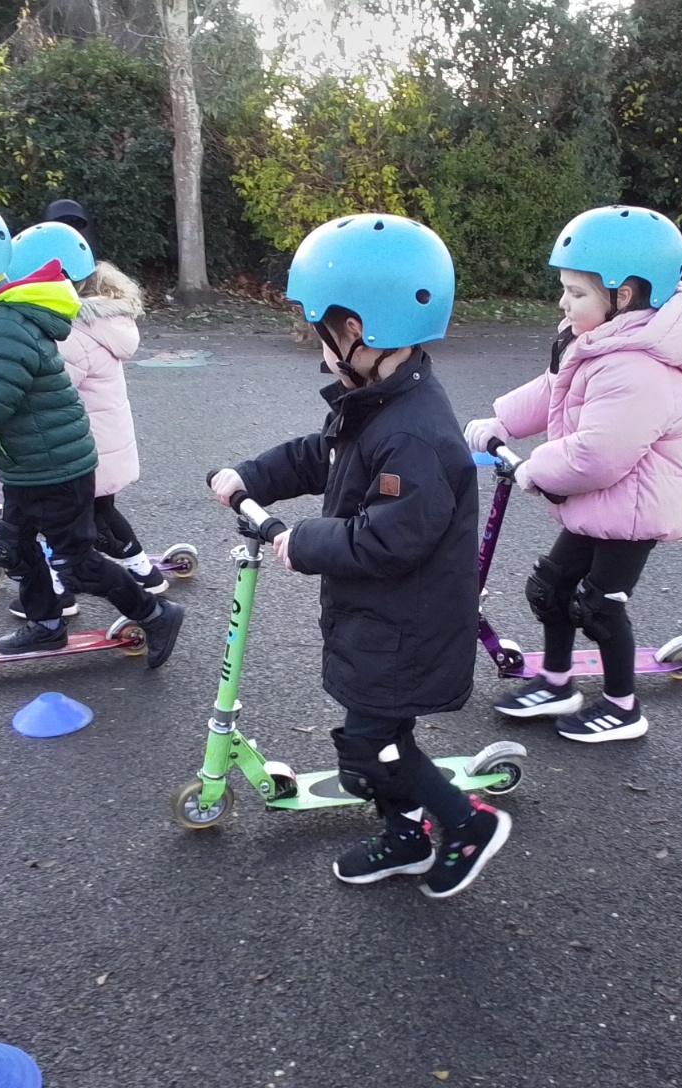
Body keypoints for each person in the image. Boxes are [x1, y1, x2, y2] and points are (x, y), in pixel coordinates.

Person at [209, 213, 510, 899]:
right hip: (381, 618)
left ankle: (468, 823)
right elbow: (323, 455)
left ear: (357, 330)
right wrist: (251, 476)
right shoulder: (375, 401)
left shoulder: (414, 435)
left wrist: (302, 540)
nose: (320, 354)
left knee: (373, 747)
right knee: (378, 740)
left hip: (406, 629)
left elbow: (389, 537)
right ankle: (406, 837)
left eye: (321, 334)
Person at [0, 194, 184, 666]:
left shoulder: (5, 323)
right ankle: (45, 626)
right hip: (26, 466)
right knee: (14, 548)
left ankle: (156, 613)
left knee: (76, 563)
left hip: (56, 468)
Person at [463, 206, 682, 743]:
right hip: (601, 502)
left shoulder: (640, 369)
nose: (563, 302)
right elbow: (552, 389)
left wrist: (535, 469)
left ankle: (623, 708)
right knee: (550, 587)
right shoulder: (594, 341)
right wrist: (502, 422)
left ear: (623, 297)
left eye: (576, 293)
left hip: (636, 508)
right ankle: (557, 682)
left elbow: (599, 454)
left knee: (600, 607)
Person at [5, 221, 167, 596]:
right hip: (102, 442)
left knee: (76, 521)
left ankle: (69, 587)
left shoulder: (72, 335)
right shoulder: (98, 325)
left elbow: (50, 390)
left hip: (81, 449)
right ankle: (142, 571)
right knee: (100, 513)